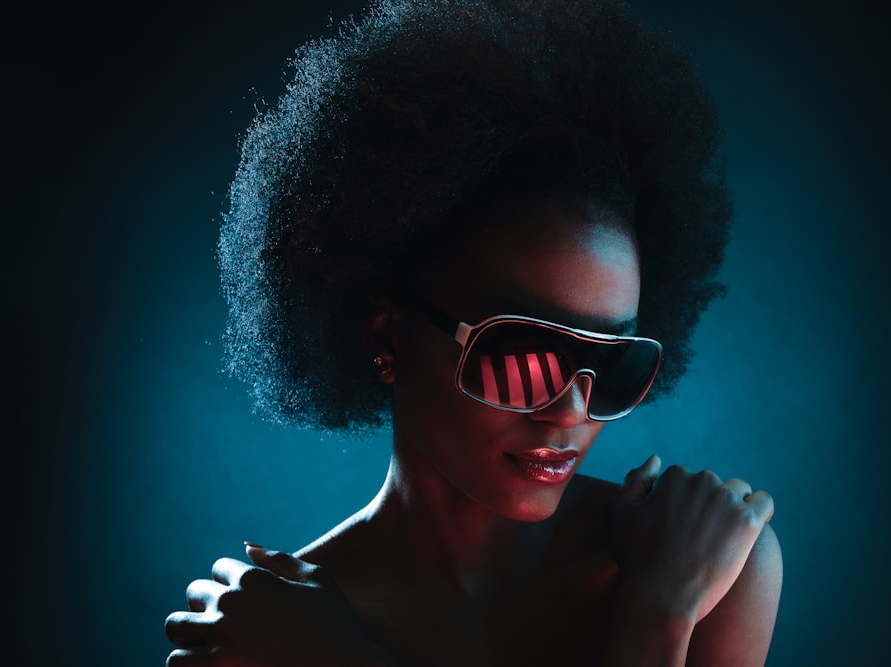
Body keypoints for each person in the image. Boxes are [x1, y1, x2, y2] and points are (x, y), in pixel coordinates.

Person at [164, 0, 783, 664]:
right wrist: (659, 617)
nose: (569, 412)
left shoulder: (705, 564)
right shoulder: (263, 631)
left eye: (611, 364)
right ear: (388, 334)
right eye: (522, 355)